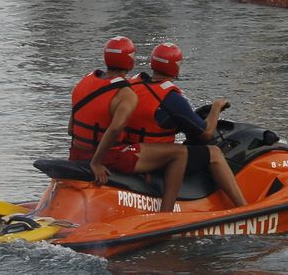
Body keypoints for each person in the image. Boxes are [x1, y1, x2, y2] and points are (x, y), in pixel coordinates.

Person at [81, 40, 235, 215]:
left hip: (127, 149)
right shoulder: (171, 98)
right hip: (149, 157)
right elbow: (206, 133)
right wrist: (216, 108)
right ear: (176, 68)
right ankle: (241, 207)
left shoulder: (131, 85)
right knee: (213, 152)